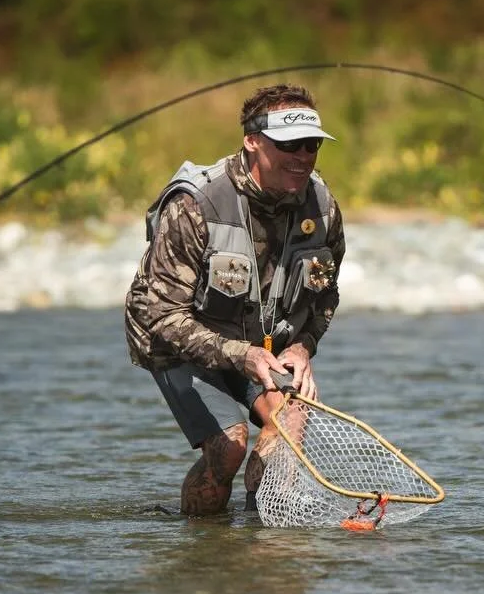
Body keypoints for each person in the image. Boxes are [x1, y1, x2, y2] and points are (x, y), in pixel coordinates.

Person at [125, 83, 346, 516]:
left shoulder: (322, 208)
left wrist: (303, 347)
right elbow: (161, 314)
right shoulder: (195, 205)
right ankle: (203, 543)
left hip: (259, 339)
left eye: (312, 145)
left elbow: (326, 295)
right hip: (175, 339)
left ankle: (261, 537)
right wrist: (241, 355)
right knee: (230, 447)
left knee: (290, 420)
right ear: (252, 141)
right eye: (289, 144)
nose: (303, 156)